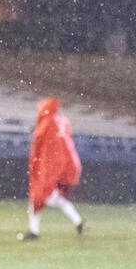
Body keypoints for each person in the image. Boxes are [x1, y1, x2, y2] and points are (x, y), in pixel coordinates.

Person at [17, 97, 85, 240]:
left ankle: (34, 232)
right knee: (54, 199)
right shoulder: (62, 121)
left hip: (50, 167)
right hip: (66, 165)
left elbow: (39, 143)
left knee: (39, 199)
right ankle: (78, 222)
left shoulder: (47, 123)